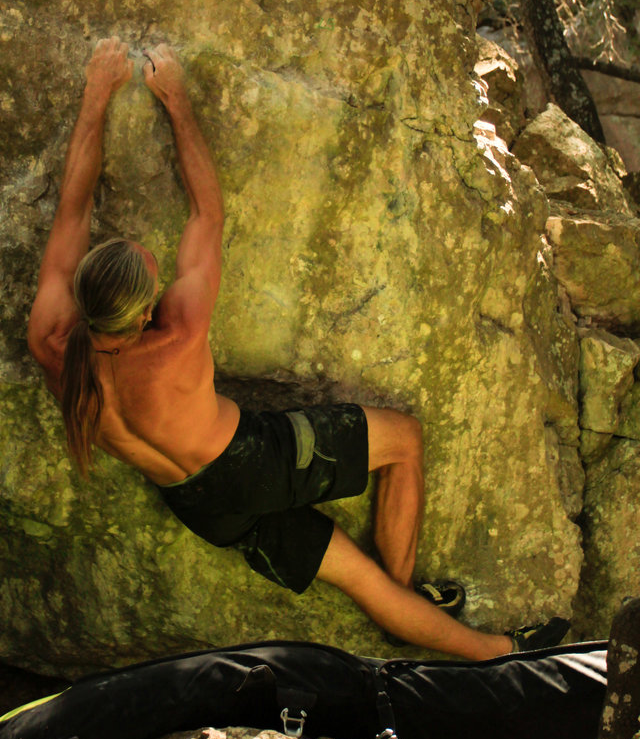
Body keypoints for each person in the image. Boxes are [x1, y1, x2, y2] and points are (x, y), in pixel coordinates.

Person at [28, 37, 568, 659]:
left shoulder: (51, 342)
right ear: (147, 310)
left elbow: (72, 208)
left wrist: (96, 95)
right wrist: (175, 98)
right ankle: (422, 613)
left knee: (359, 579)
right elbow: (208, 214)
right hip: (256, 461)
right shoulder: (175, 334)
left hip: (199, 507)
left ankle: (488, 649)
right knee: (406, 440)